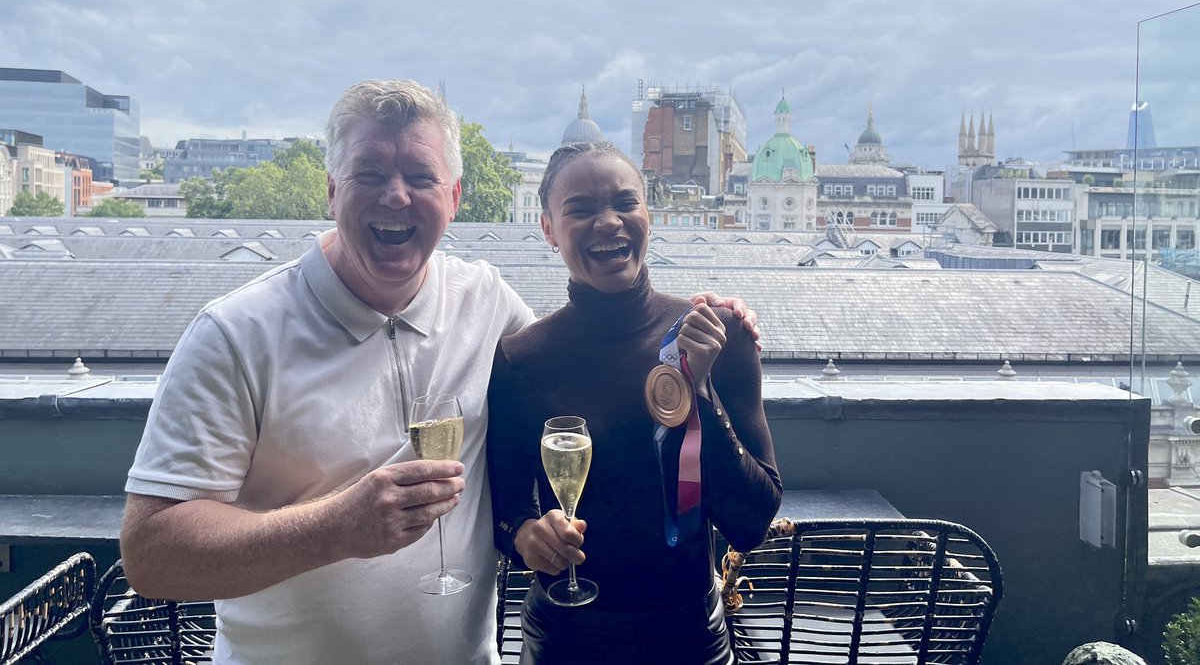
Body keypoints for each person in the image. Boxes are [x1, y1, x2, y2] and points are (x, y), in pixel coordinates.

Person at [121, 79, 759, 665]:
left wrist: (711, 327)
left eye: (420, 176)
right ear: (332, 190)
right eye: (369, 173)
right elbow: (150, 556)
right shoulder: (236, 334)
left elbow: (592, 353)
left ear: (453, 198)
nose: (396, 195)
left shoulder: (487, 305)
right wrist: (334, 527)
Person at [488, 141, 782, 665]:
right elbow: (505, 514)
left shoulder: (721, 335)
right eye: (580, 209)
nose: (608, 222)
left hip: (690, 635)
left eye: (626, 203)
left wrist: (699, 390)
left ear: (649, 214)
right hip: (567, 638)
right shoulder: (520, 358)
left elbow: (752, 521)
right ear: (548, 229)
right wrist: (529, 536)